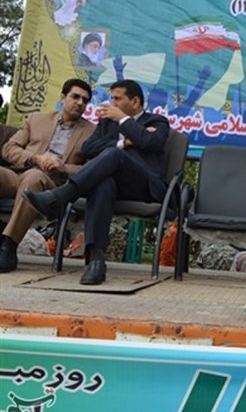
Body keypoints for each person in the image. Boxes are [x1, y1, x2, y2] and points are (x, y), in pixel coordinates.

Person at [21, 80, 170, 285]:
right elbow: (89, 148)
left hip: (144, 185)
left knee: (113, 154)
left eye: (117, 99)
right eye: (111, 98)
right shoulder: (107, 123)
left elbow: (150, 141)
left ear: (135, 102)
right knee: (103, 183)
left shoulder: (157, 121)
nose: (112, 103)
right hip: (115, 185)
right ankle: (96, 261)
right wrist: (124, 142)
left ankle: (60, 197)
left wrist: (124, 120)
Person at [0, 79, 95, 273]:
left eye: (85, 100)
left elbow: (92, 168)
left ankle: (8, 247)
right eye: (75, 97)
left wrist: (64, 167)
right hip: (19, 173)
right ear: (63, 97)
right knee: (27, 175)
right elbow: (9, 148)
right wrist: (34, 158)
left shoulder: (91, 131)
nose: (80, 103)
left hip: (54, 185)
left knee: (34, 178)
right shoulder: (37, 119)